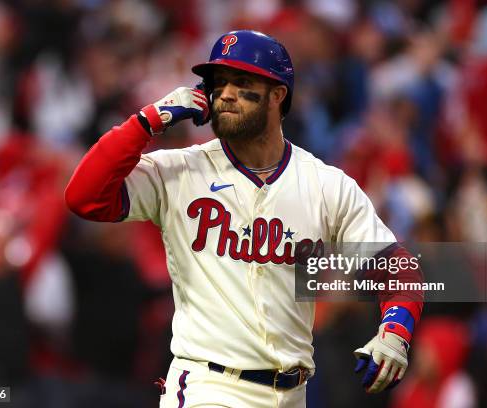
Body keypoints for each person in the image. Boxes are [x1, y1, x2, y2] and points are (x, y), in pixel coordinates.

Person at [65, 30, 423, 408]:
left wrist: (395, 331)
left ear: (278, 94)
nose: (226, 93)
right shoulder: (180, 171)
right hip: (208, 385)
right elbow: (85, 198)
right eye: (218, 83)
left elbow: (399, 268)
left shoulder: (325, 185)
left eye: (242, 82)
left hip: (292, 393)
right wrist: (146, 122)